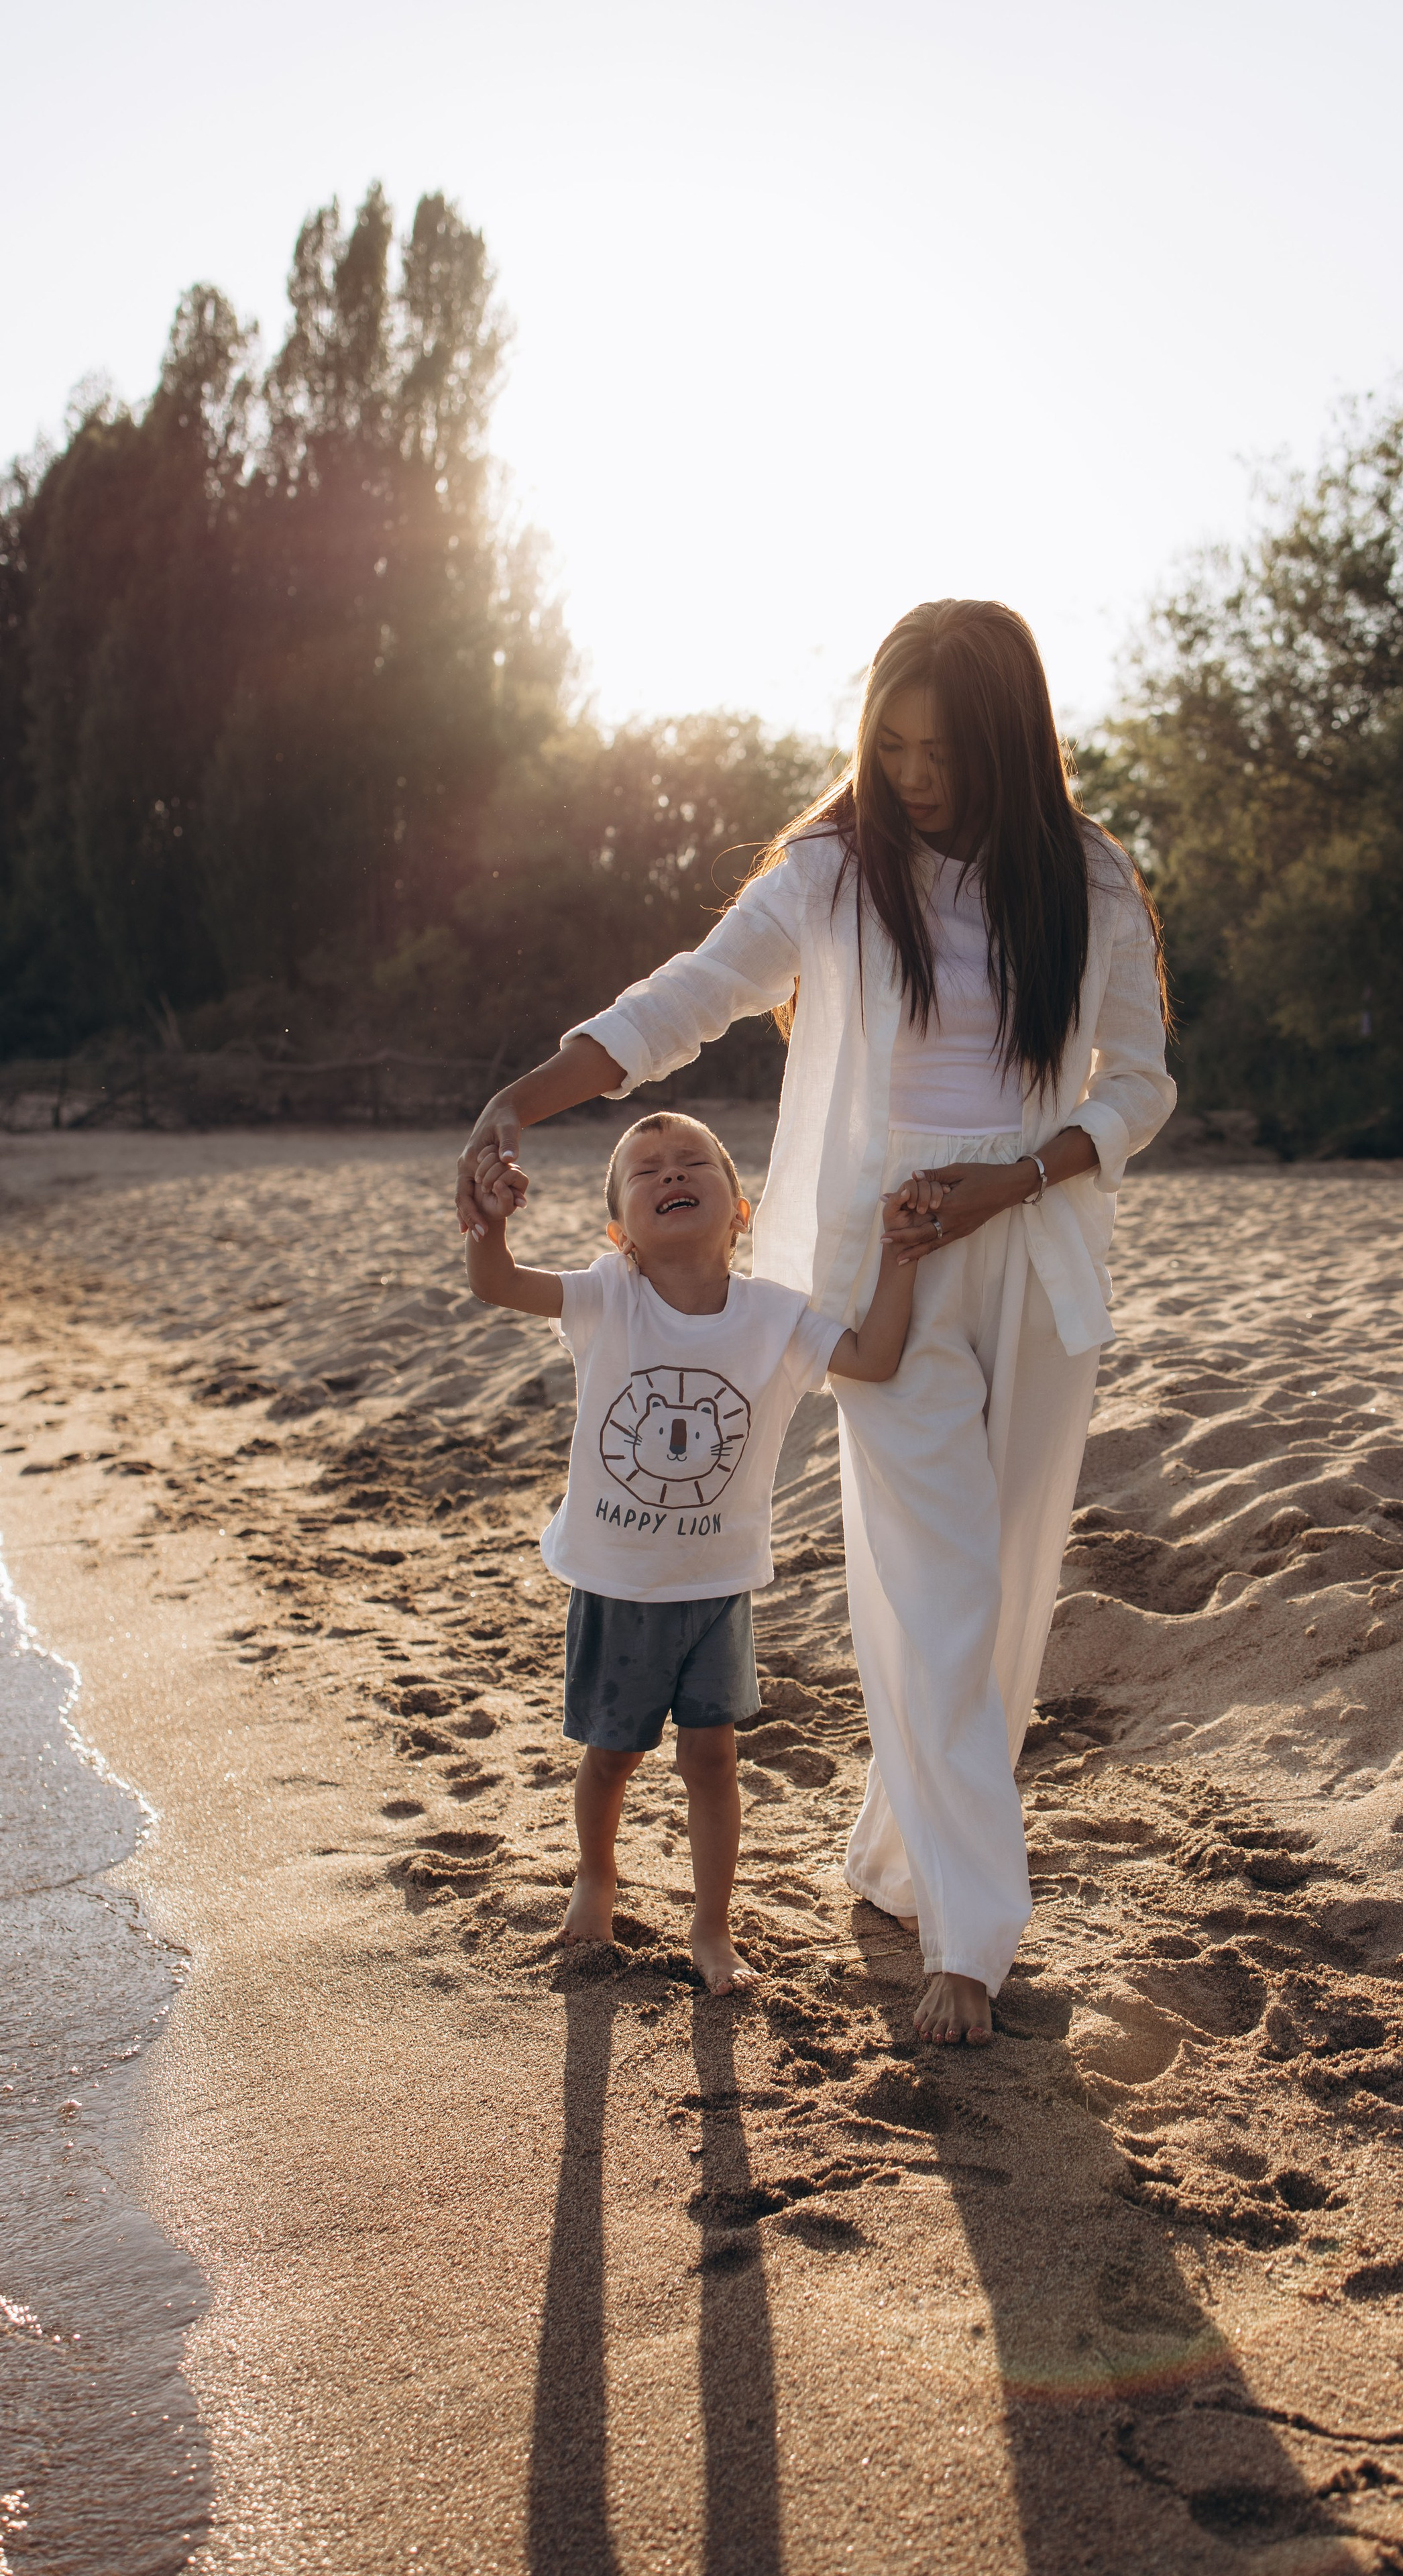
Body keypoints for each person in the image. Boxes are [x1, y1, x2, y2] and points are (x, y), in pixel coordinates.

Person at [457, 599, 1174, 2044]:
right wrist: (515, 1101)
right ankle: (970, 1937)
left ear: (1011, 742)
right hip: (872, 1276)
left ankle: (902, 1859)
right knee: (936, 1592)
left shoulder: (1088, 878)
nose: (915, 775)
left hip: (1030, 1260)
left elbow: (1139, 1084)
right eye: (891, 745)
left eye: (945, 750)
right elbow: (687, 1000)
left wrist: (1020, 1177)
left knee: (1005, 1600)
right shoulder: (831, 872)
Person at [465, 1108, 917, 1994]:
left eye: (692, 1163)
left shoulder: (775, 1318)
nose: (671, 1173)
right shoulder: (608, 1295)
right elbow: (497, 1283)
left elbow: (877, 1354)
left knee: (712, 1760)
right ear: (619, 1234)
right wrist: (492, 1215)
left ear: (740, 1209)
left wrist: (901, 1257)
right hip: (617, 1579)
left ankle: (712, 1927)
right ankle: (597, 1876)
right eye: (646, 1171)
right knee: (612, 1755)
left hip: (717, 1586)